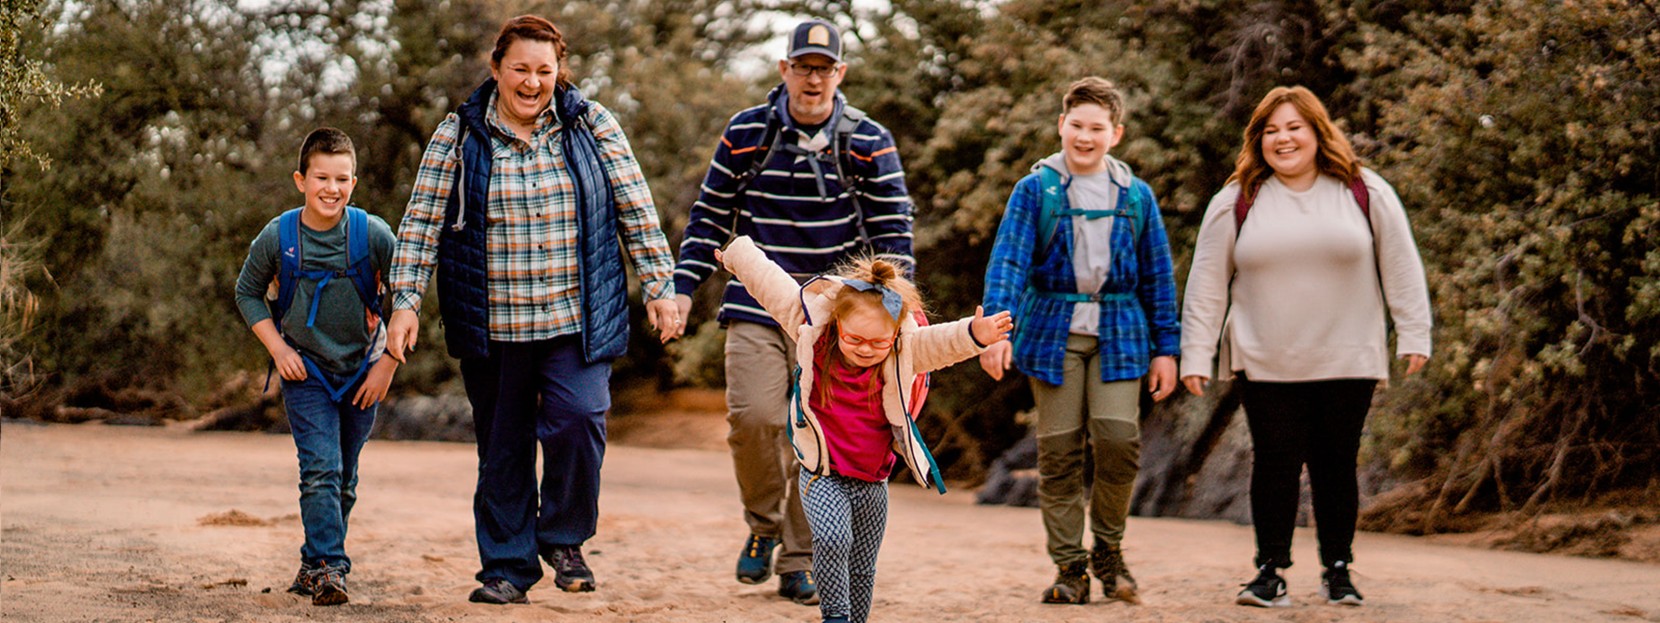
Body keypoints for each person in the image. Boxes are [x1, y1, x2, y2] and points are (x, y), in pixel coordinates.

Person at [383, 15, 681, 604]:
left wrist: (660, 284)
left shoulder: (591, 126)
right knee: (503, 446)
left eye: (544, 70)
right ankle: (506, 569)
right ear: (496, 69)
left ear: (558, 72)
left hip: (576, 318)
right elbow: (420, 224)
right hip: (494, 322)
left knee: (581, 419)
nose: (531, 81)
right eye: (519, 68)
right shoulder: (459, 135)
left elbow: (636, 208)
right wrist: (406, 301)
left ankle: (564, 537)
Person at [667, 18, 915, 605]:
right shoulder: (748, 132)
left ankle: (799, 559)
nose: (813, 78)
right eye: (803, 66)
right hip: (757, 305)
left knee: (823, 434)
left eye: (824, 68)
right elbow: (709, 216)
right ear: (784, 70)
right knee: (753, 419)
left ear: (840, 74)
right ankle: (763, 526)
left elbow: (894, 236)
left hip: (837, 320)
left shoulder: (868, 141)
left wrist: (895, 314)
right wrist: (681, 286)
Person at [1179, 85, 1432, 608]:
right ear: (1258, 140)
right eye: (1271, 131)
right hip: (1264, 356)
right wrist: (1194, 353)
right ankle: (1269, 571)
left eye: (1294, 127)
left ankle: (1338, 569)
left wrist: (1414, 333)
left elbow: (1402, 265)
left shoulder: (1364, 190)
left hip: (1347, 354)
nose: (1283, 139)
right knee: (1275, 462)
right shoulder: (1237, 200)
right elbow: (1206, 283)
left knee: (1336, 463)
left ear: (1318, 131)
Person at [715, 235, 1011, 623]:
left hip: (874, 478)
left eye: (878, 342)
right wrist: (738, 254)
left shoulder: (905, 353)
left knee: (863, 563)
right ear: (837, 324)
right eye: (855, 339)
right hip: (822, 474)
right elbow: (773, 286)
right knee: (832, 539)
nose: (866, 349)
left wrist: (975, 335)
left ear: (894, 338)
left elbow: (938, 344)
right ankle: (834, 617)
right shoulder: (816, 335)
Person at [979, 77, 1180, 605]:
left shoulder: (1135, 196)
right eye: (1076, 126)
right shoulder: (1036, 189)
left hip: (1121, 332)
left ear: (1116, 133)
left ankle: (1109, 552)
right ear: (1061, 126)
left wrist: (1167, 349)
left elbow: (1159, 275)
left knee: (1118, 441)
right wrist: (997, 332)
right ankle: (1070, 567)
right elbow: (1009, 261)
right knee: (1060, 450)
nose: (1085, 137)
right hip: (1052, 331)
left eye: (1097, 128)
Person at [235, 127, 397, 606]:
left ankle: (312, 562)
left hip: (364, 369)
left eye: (342, 179)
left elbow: (408, 295)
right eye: (321, 177)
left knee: (345, 476)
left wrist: (387, 364)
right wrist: (279, 351)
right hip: (305, 371)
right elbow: (247, 292)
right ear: (300, 180)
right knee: (321, 468)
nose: (332, 188)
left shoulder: (373, 234)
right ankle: (330, 566)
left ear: (355, 183)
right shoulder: (279, 237)